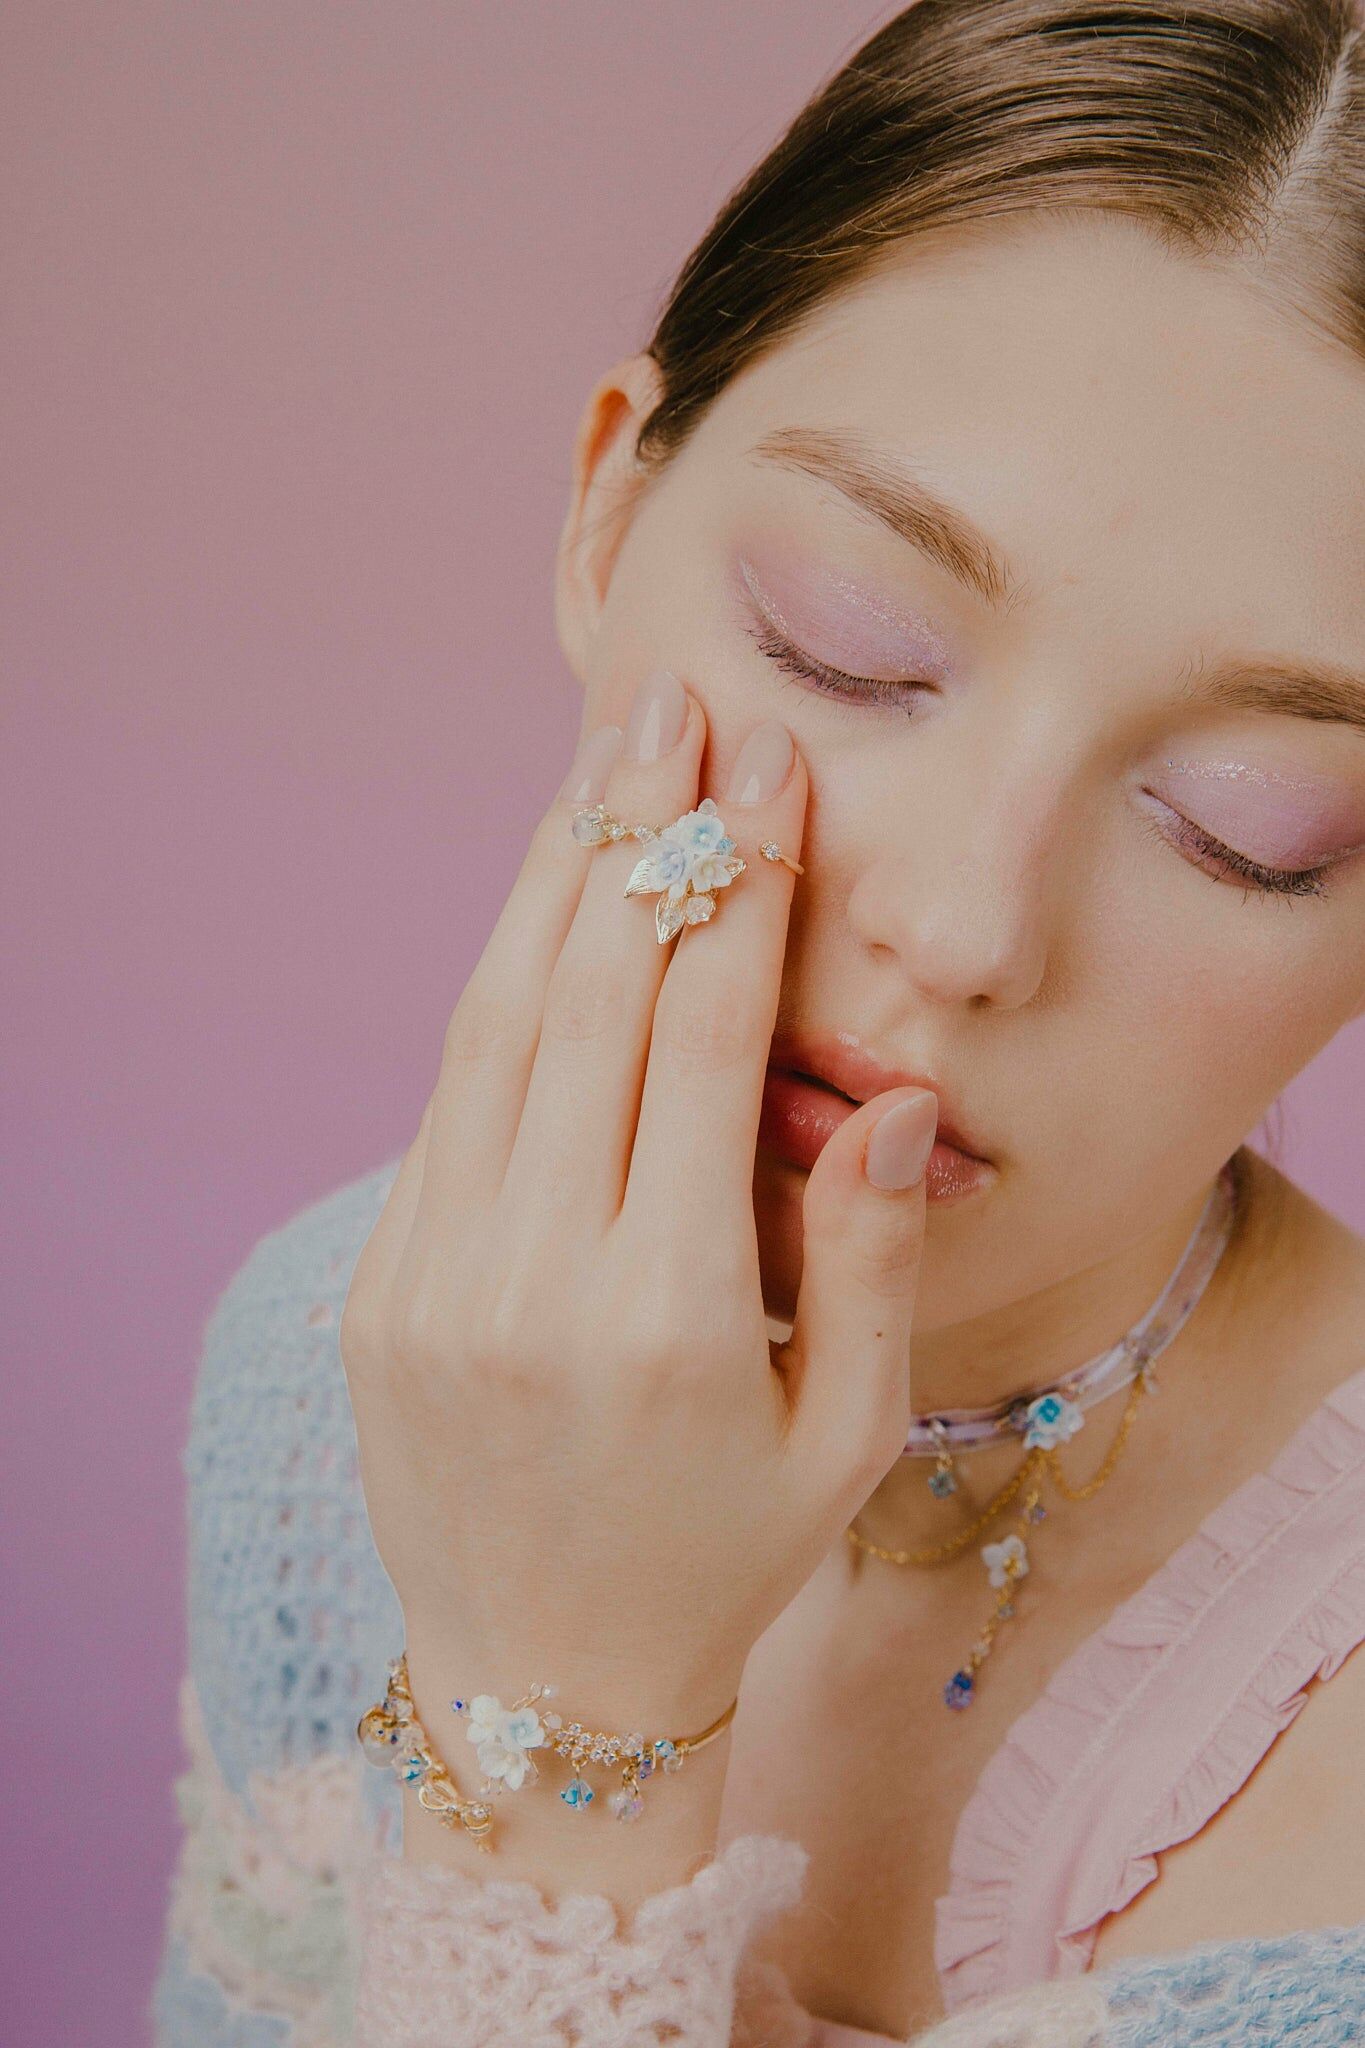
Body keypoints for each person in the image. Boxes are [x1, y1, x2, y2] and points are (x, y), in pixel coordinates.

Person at [152, 3, 1365, 2042]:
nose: (965, 927)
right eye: (847, 643)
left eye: (1248, 829)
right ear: (606, 510)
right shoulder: (329, 1372)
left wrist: (578, 1737)